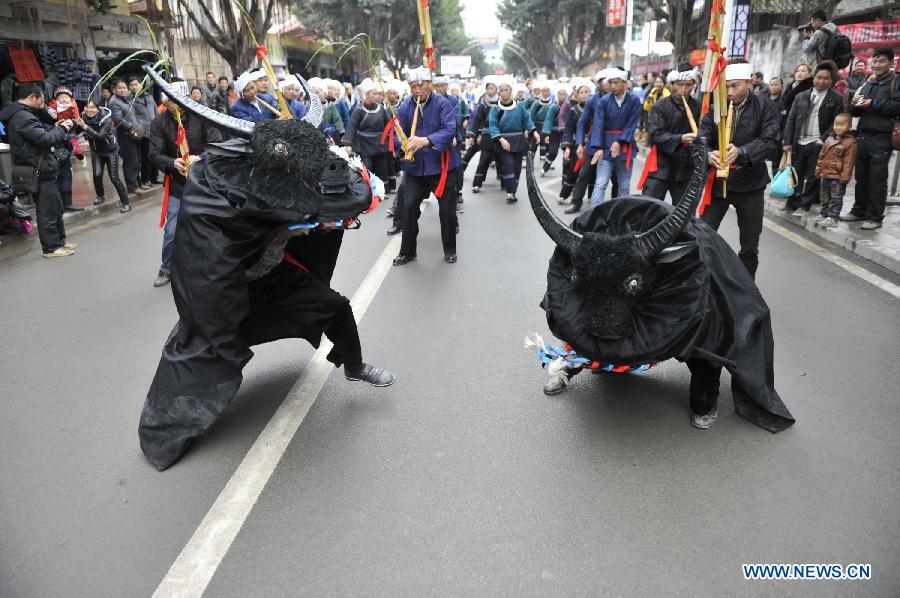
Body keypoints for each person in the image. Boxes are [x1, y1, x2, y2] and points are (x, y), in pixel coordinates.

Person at [137, 67, 394, 471]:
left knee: (335, 306)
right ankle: (171, 431)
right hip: (228, 290)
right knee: (204, 357)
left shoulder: (293, 184)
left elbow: (340, 196)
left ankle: (353, 364)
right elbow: (222, 245)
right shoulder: (226, 194)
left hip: (273, 276)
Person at [699, 61, 781, 279]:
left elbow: (771, 140)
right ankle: (703, 282)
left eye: (735, 86)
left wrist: (743, 152)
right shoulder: (717, 107)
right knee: (703, 237)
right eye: (726, 87)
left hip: (751, 184)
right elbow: (701, 139)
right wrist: (709, 154)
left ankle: (747, 289)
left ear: (749, 82)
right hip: (718, 183)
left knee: (750, 245)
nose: (730, 92)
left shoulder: (765, 106)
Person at [149, 80, 223, 287]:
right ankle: (166, 269)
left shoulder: (202, 115)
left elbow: (217, 145)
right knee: (172, 230)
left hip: (205, 182)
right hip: (178, 185)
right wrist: (173, 162)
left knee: (210, 227)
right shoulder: (159, 122)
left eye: (180, 100)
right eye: (171, 101)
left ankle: (212, 267)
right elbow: (154, 154)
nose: (176, 105)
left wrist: (200, 158)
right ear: (166, 101)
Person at [391, 67, 460, 266]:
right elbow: (397, 132)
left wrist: (426, 140)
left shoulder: (442, 103)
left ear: (430, 84)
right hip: (415, 168)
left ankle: (449, 249)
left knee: (447, 210)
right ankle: (408, 251)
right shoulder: (406, 106)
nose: (417, 89)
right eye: (413, 86)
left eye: (421, 85)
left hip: (441, 167)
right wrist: (403, 144)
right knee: (408, 207)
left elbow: (449, 129)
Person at [0, 82, 76, 257]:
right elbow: (46, 139)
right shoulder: (22, 117)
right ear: (31, 98)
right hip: (38, 169)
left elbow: (42, 135)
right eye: (41, 100)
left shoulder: (25, 114)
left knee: (55, 207)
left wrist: (54, 125)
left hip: (44, 168)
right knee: (47, 210)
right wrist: (63, 128)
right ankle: (51, 247)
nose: (43, 104)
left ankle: (60, 242)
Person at [844, 47, 899, 230]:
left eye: (881, 61)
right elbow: (856, 111)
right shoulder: (869, 83)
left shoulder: (896, 82)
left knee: (877, 180)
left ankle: (875, 217)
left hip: (882, 138)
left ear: (892, 62)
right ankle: (859, 210)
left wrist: (873, 103)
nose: (876, 65)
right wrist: (854, 104)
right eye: (874, 61)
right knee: (861, 177)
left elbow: (896, 107)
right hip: (863, 135)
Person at [781, 61, 844, 216]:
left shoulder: (835, 98)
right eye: (818, 77)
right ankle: (792, 203)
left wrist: (822, 140)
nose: (821, 81)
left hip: (818, 143)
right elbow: (791, 119)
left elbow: (835, 122)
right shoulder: (801, 96)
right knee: (795, 174)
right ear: (813, 77)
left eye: (825, 79)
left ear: (831, 81)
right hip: (799, 141)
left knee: (813, 177)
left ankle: (805, 205)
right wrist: (787, 141)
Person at [639, 65, 701, 203]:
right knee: (650, 208)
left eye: (688, 85)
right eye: (679, 85)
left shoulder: (698, 106)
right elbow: (655, 134)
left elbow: (704, 133)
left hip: (685, 167)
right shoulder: (660, 106)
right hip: (661, 165)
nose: (684, 89)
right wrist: (680, 138)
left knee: (683, 213)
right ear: (671, 84)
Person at [587, 68, 641, 207]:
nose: (612, 86)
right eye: (610, 83)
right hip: (605, 146)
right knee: (600, 183)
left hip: (625, 146)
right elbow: (598, 124)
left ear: (625, 83)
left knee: (623, 185)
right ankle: (594, 215)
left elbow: (632, 124)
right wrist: (598, 148)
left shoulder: (634, 100)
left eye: (616, 82)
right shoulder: (604, 101)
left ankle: (621, 215)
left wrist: (619, 141)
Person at [489, 77, 539, 204]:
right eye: (501, 90)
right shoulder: (495, 108)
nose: (503, 92)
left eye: (506, 90)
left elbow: (527, 120)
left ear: (510, 90)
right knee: (508, 165)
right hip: (504, 142)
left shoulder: (519, 106)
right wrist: (500, 139)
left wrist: (534, 132)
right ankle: (510, 192)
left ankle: (513, 190)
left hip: (518, 140)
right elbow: (493, 125)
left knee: (517, 168)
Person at [76, 99, 130, 211]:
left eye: (92, 107)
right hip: (96, 151)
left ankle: (126, 203)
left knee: (114, 178)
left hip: (110, 151)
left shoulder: (107, 119)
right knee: (96, 175)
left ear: (98, 108)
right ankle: (100, 196)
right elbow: (76, 130)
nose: (89, 110)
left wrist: (85, 127)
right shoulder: (83, 117)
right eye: (87, 107)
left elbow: (100, 136)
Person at [342, 78, 392, 196]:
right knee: (367, 169)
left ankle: (381, 192)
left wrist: (396, 126)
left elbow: (389, 125)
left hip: (380, 144)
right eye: (373, 93)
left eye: (376, 93)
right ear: (366, 95)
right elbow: (351, 126)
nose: (376, 96)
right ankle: (368, 193)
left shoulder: (382, 109)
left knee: (382, 169)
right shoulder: (359, 110)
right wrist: (348, 144)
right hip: (364, 145)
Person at [813, 113, 858, 228]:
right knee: (824, 196)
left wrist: (845, 177)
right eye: (836, 124)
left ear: (850, 126)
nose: (839, 127)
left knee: (836, 198)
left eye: (842, 125)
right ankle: (824, 214)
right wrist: (818, 170)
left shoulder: (851, 142)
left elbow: (849, 162)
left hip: (837, 177)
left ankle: (833, 217)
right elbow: (821, 157)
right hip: (825, 174)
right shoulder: (829, 138)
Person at [557, 77, 592, 210]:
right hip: (577, 144)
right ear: (576, 94)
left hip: (593, 143)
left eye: (586, 92)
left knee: (591, 172)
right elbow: (568, 130)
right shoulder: (573, 110)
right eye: (581, 92)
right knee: (573, 170)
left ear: (590, 93)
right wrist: (566, 147)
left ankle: (591, 196)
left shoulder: (596, 108)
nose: (583, 94)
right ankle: (564, 195)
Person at [47, 86, 83, 213]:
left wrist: (71, 123)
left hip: (65, 141)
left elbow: (77, 120)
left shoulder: (73, 107)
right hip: (53, 144)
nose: (63, 100)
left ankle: (67, 203)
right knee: (58, 174)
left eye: (65, 97)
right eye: (60, 97)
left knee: (66, 172)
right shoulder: (50, 108)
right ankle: (60, 204)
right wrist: (56, 126)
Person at [464, 77, 499, 194]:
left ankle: (507, 186)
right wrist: (473, 135)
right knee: (483, 160)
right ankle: (477, 184)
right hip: (487, 136)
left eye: (492, 88)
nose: (490, 90)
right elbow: (476, 120)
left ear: (497, 89)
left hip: (501, 137)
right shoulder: (482, 104)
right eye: (488, 88)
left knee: (502, 161)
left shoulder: (503, 103)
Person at [108, 78, 142, 194]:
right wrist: (132, 127)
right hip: (125, 135)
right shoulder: (114, 102)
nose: (122, 90)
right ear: (114, 90)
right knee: (130, 161)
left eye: (124, 88)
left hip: (133, 134)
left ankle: (138, 183)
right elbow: (118, 120)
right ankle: (132, 187)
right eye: (119, 88)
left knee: (136, 160)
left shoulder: (125, 100)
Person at [129, 76, 159, 188]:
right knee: (145, 157)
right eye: (131, 85)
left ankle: (154, 178)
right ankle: (145, 179)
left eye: (136, 84)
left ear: (141, 85)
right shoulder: (131, 100)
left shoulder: (149, 97)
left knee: (155, 155)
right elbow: (131, 116)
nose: (134, 87)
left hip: (155, 130)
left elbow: (156, 111)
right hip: (143, 132)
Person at [540, 85, 567, 175]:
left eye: (564, 94)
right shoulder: (554, 107)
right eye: (560, 94)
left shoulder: (569, 106)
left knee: (567, 153)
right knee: (553, 152)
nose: (562, 96)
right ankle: (545, 168)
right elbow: (548, 120)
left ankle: (565, 173)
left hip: (565, 133)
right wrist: (546, 134)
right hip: (554, 132)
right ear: (557, 95)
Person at [528, 81, 554, 162]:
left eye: (547, 91)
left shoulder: (553, 103)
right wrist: (531, 129)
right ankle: (529, 161)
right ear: (541, 92)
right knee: (534, 143)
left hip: (548, 126)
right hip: (537, 125)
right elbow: (531, 116)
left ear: (550, 92)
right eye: (543, 91)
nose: (545, 93)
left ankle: (547, 162)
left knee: (548, 144)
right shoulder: (536, 103)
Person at [639, 75, 669, 143]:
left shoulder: (667, 94)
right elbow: (646, 108)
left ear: (664, 84)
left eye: (660, 82)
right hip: (653, 120)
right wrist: (649, 101)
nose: (658, 84)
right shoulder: (652, 93)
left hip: (664, 121)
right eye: (657, 82)